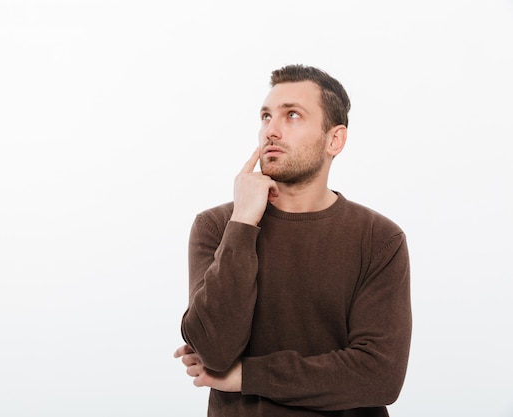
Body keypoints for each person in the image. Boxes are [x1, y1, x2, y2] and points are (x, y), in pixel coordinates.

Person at [173, 64, 412, 417]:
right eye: (266, 116)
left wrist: (245, 376)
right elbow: (215, 352)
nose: (271, 130)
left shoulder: (380, 239)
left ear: (335, 139)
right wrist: (243, 222)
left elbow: (379, 376)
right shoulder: (217, 226)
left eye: (292, 116)